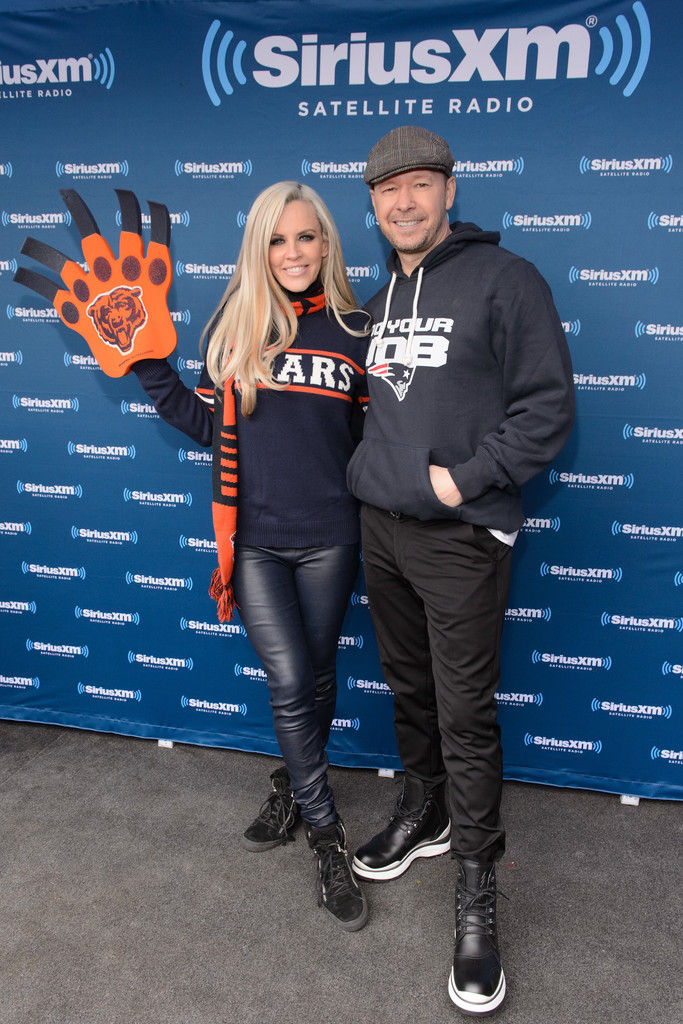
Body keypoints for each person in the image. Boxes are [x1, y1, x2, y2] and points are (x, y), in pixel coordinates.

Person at [17, 180, 370, 932]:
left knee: (315, 674)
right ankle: (325, 832)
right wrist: (147, 360)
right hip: (254, 541)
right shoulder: (234, 327)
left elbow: (377, 445)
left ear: (326, 244)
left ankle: (289, 786)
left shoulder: (355, 330)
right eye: (277, 239)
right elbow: (207, 426)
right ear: (259, 248)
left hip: (332, 536)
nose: (293, 252)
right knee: (286, 679)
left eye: (306, 237)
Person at [345, 127, 575, 1011]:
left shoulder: (505, 280)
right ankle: (424, 809)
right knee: (408, 690)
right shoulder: (379, 296)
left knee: (464, 713)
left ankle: (477, 896)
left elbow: (547, 409)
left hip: (458, 534)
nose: (401, 202)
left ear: (448, 188)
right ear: (371, 204)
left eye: (416, 185)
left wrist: (460, 479)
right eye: (384, 190)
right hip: (383, 530)